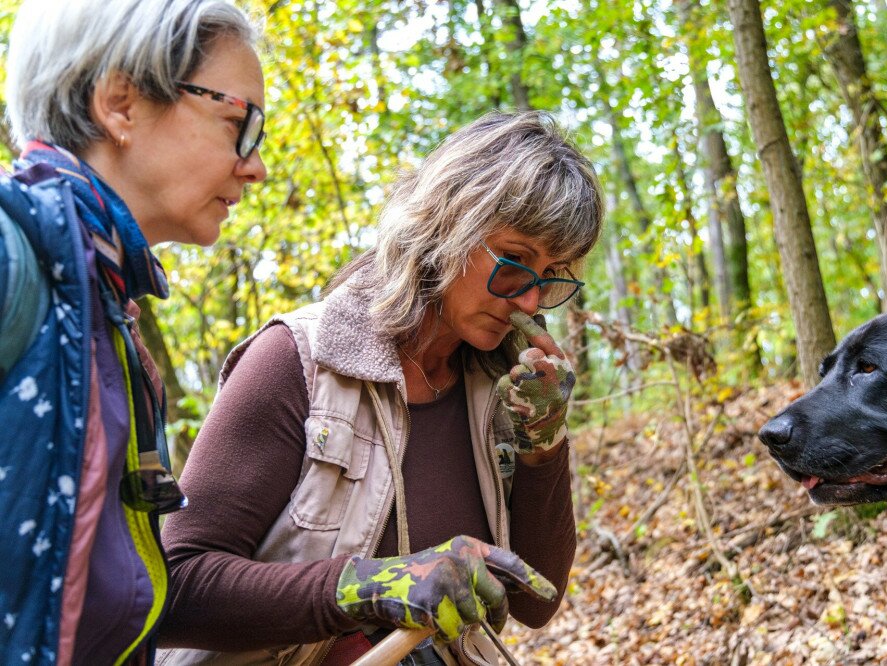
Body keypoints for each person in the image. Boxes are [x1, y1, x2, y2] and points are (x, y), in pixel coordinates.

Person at [155, 111, 604, 665]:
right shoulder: (297, 361)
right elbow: (176, 586)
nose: (530, 301)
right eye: (514, 262)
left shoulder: (501, 394)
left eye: (553, 274)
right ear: (447, 225)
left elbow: (538, 603)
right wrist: (374, 587)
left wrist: (546, 445)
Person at [0, 1, 267, 663]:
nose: (254, 165)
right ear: (121, 103)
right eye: (239, 123)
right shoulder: (13, 262)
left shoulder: (99, 298)